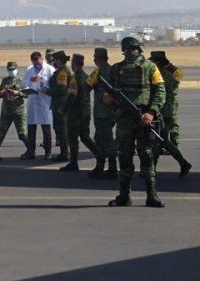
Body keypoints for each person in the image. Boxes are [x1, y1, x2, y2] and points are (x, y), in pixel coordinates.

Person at [105, 36, 166, 208]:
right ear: (123, 50)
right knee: (124, 157)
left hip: (144, 120)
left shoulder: (150, 67)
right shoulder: (116, 69)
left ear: (139, 50)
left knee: (146, 156)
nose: (130, 52)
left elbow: (160, 91)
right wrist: (107, 98)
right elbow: (107, 90)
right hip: (124, 120)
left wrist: (151, 112)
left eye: (133, 49)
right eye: (127, 49)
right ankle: (124, 196)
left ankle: (152, 195)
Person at [149, 51, 192, 177]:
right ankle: (182, 163)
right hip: (165, 112)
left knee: (156, 141)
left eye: (153, 61)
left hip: (161, 113)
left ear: (159, 63)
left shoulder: (162, 76)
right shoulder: (166, 75)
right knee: (162, 141)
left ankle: (152, 170)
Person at [62, 54, 99, 172]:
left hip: (75, 113)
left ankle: (73, 162)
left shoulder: (75, 78)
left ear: (74, 65)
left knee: (72, 138)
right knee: (85, 137)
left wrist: (63, 109)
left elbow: (72, 96)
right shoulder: (86, 76)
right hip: (85, 110)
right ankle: (100, 155)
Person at [85, 47, 117, 178]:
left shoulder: (97, 72)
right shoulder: (114, 71)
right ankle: (106, 166)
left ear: (95, 59)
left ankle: (108, 167)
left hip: (101, 112)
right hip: (112, 111)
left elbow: (86, 86)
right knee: (105, 138)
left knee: (102, 140)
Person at [0, 60, 32, 159]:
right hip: (6, 111)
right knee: (1, 133)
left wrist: (17, 93)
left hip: (19, 110)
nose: (11, 71)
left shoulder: (22, 80)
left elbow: (27, 93)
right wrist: (2, 93)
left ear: (17, 69)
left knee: (22, 133)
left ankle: (30, 151)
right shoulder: (5, 80)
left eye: (13, 69)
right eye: (9, 70)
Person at [22, 51, 54, 158]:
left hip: (44, 101)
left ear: (41, 58)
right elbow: (23, 83)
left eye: (38, 63)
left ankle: (48, 152)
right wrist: (30, 79)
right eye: (34, 63)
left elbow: (54, 85)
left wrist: (47, 89)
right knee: (31, 128)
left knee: (46, 128)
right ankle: (31, 152)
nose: (37, 65)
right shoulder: (29, 69)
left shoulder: (49, 69)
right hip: (33, 100)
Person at [43, 50, 73, 165]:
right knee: (59, 128)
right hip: (58, 104)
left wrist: (48, 91)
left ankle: (65, 153)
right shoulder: (60, 71)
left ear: (58, 60)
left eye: (54, 60)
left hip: (61, 105)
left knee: (62, 129)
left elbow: (61, 89)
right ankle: (63, 152)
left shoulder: (62, 73)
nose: (53, 62)